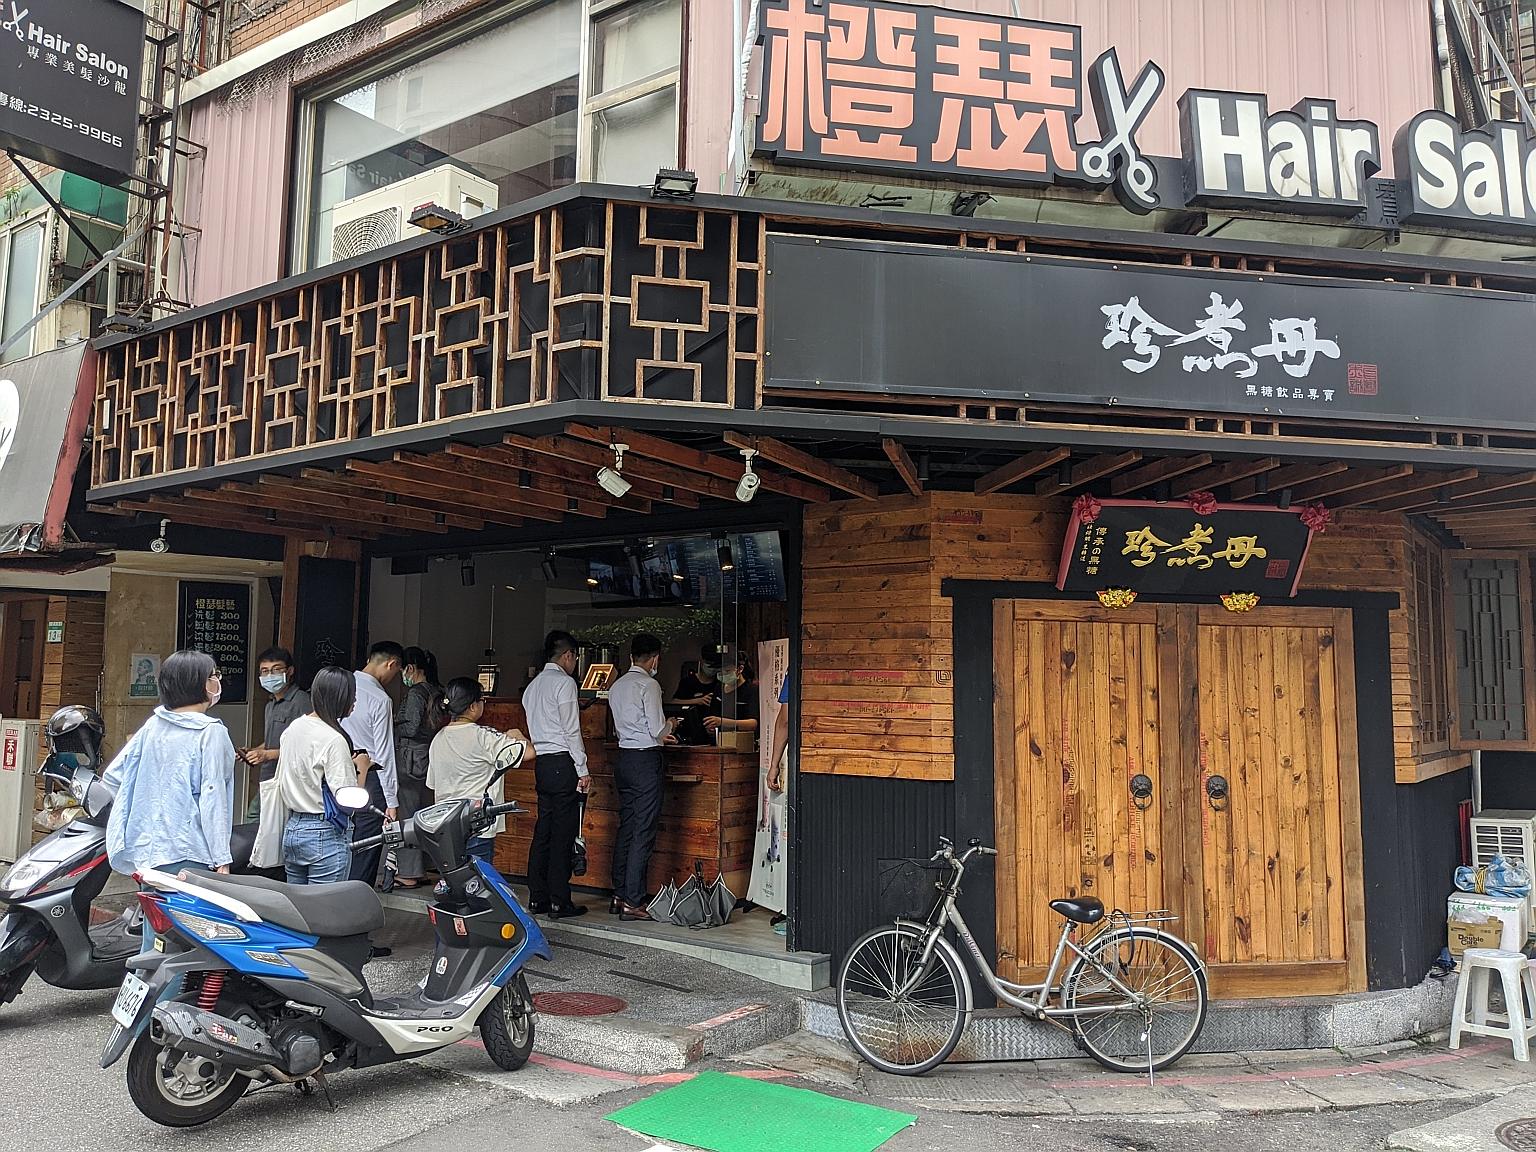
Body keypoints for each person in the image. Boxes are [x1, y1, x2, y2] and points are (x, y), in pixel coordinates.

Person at [104, 649, 236, 878]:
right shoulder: (211, 731)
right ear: (200, 684)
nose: (217, 681)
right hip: (190, 851)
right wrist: (221, 858)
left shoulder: (152, 725)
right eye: (213, 676)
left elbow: (114, 777)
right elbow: (213, 796)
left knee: (153, 911)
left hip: (147, 851)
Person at [606, 633, 678, 921]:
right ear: (655, 658)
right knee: (643, 829)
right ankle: (633, 901)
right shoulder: (648, 685)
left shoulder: (617, 685)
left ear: (631, 656)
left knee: (627, 826)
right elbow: (658, 730)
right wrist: (671, 723)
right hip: (646, 760)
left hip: (624, 758)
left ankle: (619, 893)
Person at [276, 666, 369, 885]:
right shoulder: (334, 740)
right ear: (339, 699)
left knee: (298, 911)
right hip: (324, 834)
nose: (354, 702)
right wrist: (362, 767)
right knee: (325, 912)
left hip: (293, 829)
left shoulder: (293, 729)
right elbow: (348, 801)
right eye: (352, 696)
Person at [523, 630, 589, 918]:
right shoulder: (564, 683)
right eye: (575, 657)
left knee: (543, 832)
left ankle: (537, 897)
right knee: (563, 834)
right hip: (564, 763)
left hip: (543, 764)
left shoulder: (532, 686)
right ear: (568, 655)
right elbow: (571, 729)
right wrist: (583, 768)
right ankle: (559, 901)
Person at [427, 678, 525, 867]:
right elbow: (527, 752)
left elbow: (433, 785)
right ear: (473, 706)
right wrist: (517, 735)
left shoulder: (437, 740)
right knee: (477, 882)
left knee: (453, 881)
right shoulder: (484, 736)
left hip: (446, 826)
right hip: (478, 823)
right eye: (482, 701)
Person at [342, 640, 403, 889]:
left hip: (338, 774)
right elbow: (384, 752)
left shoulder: (342, 686)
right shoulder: (380, 699)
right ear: (391, 664)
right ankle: (357, 901)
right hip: (371, 779)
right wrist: (392, 801)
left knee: (340, 840)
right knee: (366, 845)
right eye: (396, 672)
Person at [238, 647, 312, 820]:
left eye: (276, 670)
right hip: (269, 778)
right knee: (256, 821)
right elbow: (272, 741)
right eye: (264, 671)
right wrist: (254, 751)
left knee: (262, 823)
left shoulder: (302, 702)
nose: (270, 675)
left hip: (289, 781)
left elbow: (308, 747)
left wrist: (268, 755)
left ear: (290, 671)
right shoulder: (270, 704)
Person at [391, 646, 441, 889]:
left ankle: (409, 872)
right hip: (427, 756)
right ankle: (423, 867)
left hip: (409, 758)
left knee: (407, 815)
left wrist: (390, 725)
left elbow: (410, 728)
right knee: (424, 814)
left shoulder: (415, 694)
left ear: (410, 668)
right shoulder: (434, 690)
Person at [703, 654, 760, 739]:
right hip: (720, 740)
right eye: (720, 672)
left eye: (727, 671)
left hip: (743, 741)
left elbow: (753, 724)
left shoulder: (751, 690)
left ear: (740, 669)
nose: (723, 675)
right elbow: (713, 716)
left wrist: (722, 722)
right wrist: (711, 726)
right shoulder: (719, 688)